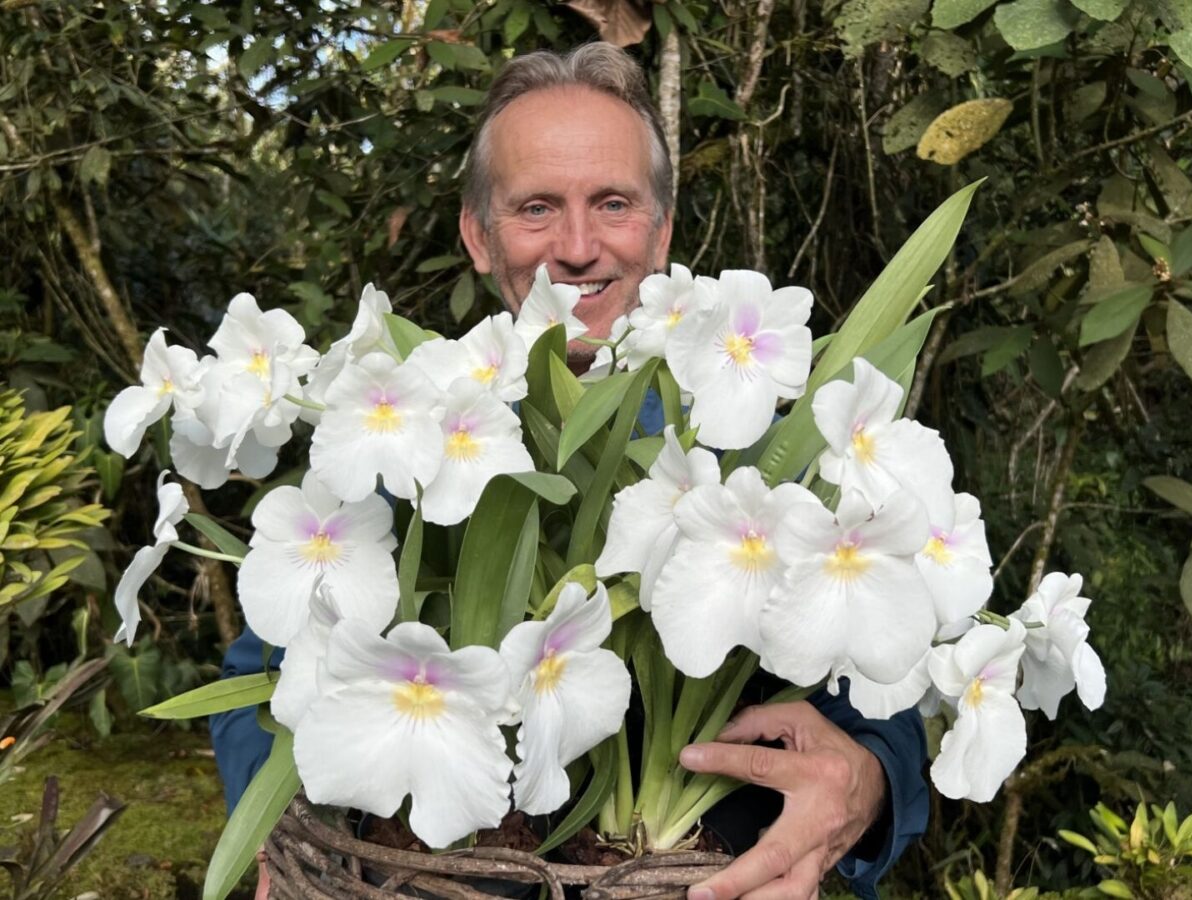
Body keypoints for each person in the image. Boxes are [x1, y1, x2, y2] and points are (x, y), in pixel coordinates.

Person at [212, 43, 928, 900]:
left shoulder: (771, 462)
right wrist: (279, 833)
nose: (578, 247)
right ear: (478, 236)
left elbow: (885, 689)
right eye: (537, 208)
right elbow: (260, 674)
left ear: (661, 230)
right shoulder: (398, 442)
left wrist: (867, 785)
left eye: (614, 204)